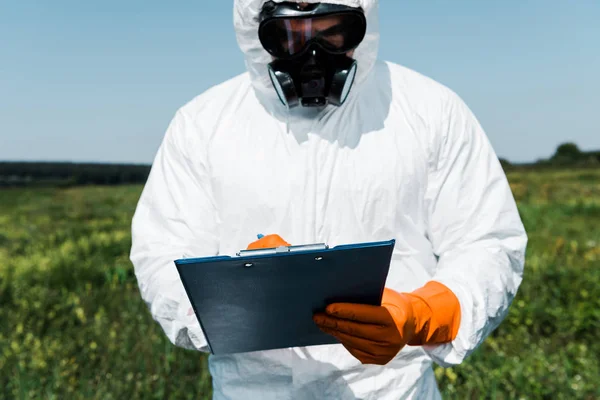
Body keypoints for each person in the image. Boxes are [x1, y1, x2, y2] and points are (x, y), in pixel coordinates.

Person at [129, 0, 528, 399]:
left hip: (391, 388)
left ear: (363, 27)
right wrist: (238, 294)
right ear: (257, 32)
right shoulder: (202, 124)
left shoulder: (430, 111)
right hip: (249, 389)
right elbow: (163, 252)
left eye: (333, 31)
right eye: (290, 36)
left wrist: (422, 314)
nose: (313, 54)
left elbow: (487, 242)